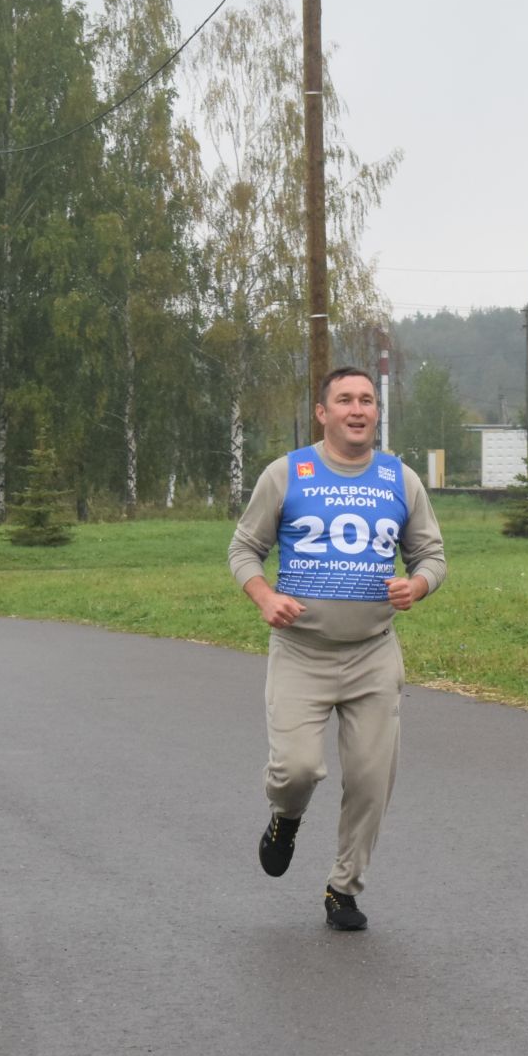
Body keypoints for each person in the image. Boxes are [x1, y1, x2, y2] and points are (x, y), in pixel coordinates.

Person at [228, 366, 447, 932]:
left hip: (374, 653)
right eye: (344, 400)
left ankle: (342, 889)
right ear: (322, 413)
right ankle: (285, 817)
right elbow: (244, 549)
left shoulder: (401, 480)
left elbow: (433, 557)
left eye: (367, 400)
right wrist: (263, 596)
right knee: (297, 769)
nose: (357, 409)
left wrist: (416, 584)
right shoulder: (287, 473)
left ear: (377, 413)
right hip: (302, 651)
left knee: (372, 780)